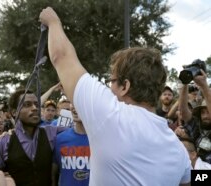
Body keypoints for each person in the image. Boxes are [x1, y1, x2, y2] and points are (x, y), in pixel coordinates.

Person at [39, 7, 191, 186]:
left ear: (125, 86)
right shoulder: (177, 148)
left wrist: (53, 21)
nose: (109, 87)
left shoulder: (110, 115)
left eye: (112, 80)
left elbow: (61, 57)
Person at [0, 89, 65, 186]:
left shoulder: (51, 132)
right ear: (14, 112)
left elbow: (80, 130)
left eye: (37, 104)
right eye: (27, 104)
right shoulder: (3, 142)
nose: (35, 108)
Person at [176, 72, 211, 164]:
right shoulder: (197, 126)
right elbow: (183, 111)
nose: (206, 116)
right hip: (193, 173)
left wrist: (204, 86)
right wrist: (185, 83)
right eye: (203, 112)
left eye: (208, 112)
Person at [52, 104, 90, 186]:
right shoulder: (59, 139)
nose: (75, 106)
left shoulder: (104, 140)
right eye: (73, 102)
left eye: (79, 101)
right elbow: (52, 175)